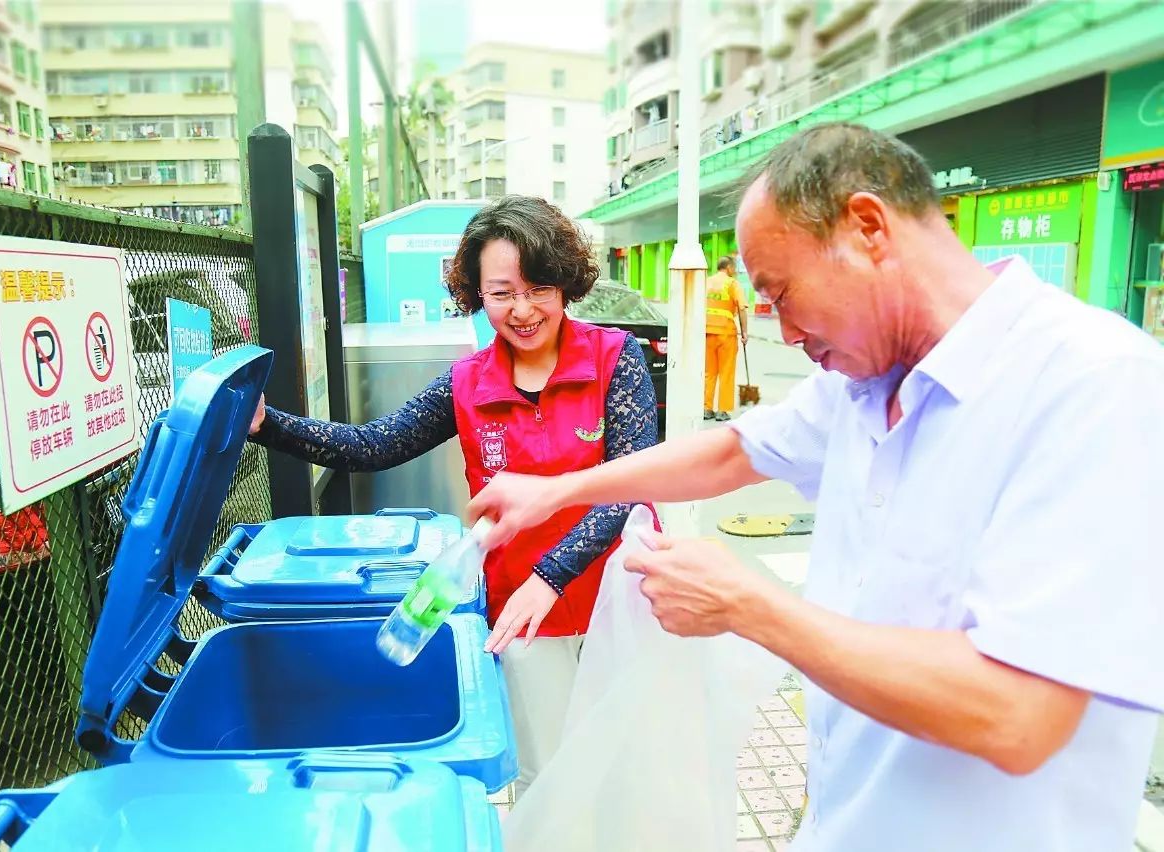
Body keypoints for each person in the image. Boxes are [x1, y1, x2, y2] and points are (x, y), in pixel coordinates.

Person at [467, 123, 1164, 851]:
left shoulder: (1093, 385)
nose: (787, 333)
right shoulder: (865, 381)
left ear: (868, 229)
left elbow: (1019, 715)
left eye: (780, 292)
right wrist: (553, 492)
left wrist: (747, 606)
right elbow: (732, 451)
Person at [248, 195, 659, 797]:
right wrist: (268, 424)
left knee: (624, 771)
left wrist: (551, 576)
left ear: (566, 282)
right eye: (502, 293)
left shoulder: (615, 358)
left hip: (619, 601)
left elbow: (631, 485)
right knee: (545, 778)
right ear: (476, 294)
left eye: (539, 289)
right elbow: (373, 445)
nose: (523, 310)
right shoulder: (468, 383)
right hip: (523, 620)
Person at [703, 255, 749, 421]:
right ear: (729, 267)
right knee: (726, 373)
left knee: (709, 373)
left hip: (707, 332)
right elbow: (742, 308)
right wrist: (744, 332)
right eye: (734, 268)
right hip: (726, 333)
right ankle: (722, 410)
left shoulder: (706, 282)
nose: (735, 271)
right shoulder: (732, 284)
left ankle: (707, 408)